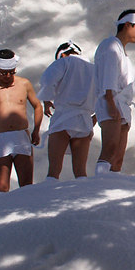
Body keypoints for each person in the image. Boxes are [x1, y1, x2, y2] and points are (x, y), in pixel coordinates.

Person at [0, 49, 43, 191]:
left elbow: (37, 105)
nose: (7, 76)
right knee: (2, 187)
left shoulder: (23, 84)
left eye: (12, 72)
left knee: (27, 185)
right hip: (1, 138)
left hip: (21, 136)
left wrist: (36, 130)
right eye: (3, 73)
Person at [94, 9, 135, 174]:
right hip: (111, 101)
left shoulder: (122, 50)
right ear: (128, 25)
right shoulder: (110, 45)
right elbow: (109, 74)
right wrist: (110, 102)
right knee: (110, 147)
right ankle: (100, 181)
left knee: (118, 155)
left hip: (120, 104)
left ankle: (112, 185)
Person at [38, 41, 96, 179]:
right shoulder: (94, 68)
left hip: (63, 119)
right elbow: (104, 93)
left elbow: (48, 80)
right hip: (84, 121)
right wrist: (96, 116)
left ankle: (49, 195)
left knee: (53, 171)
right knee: (81, 172)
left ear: (62, 54)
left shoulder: (63, 62)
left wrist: (47, 100)